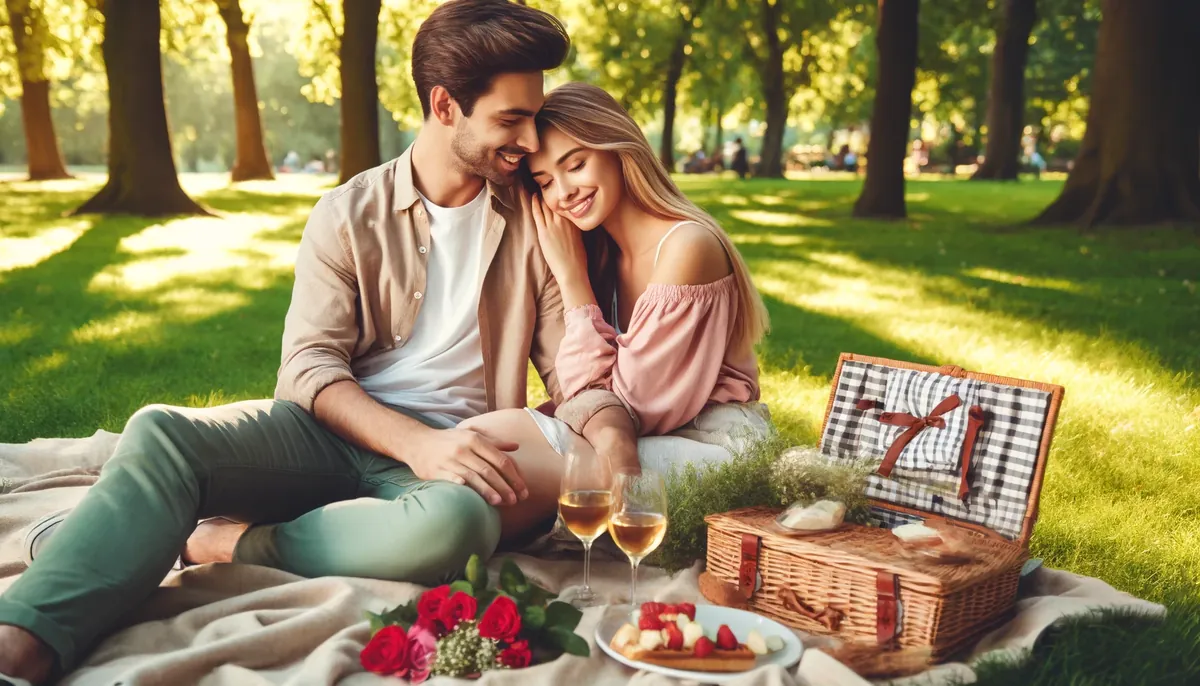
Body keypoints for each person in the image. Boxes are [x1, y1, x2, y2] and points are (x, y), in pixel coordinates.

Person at [0, 2, 635, 683]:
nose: (527, 140)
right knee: (161, 432)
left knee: (459, 524)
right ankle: (26, 637)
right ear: (445, 106)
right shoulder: (349, 211)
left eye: (532, 117)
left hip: (445, 462)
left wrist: (617, 445)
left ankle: (224, 541)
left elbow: (574, 380)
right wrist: (413, 439)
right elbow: (308, 368)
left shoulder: (533, 220)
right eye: (509, 120)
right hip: (325, 434)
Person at [465, 82, 773, 479]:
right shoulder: (601, 253)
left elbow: (634, 405)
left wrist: (572, 278)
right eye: (544, 182)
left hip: (717, 445)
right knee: (485, 438)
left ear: (618, 149)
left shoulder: (687, 248)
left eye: (575, 165)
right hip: (646, 439)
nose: (564, 192)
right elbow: (592, 398)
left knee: (508, 452)